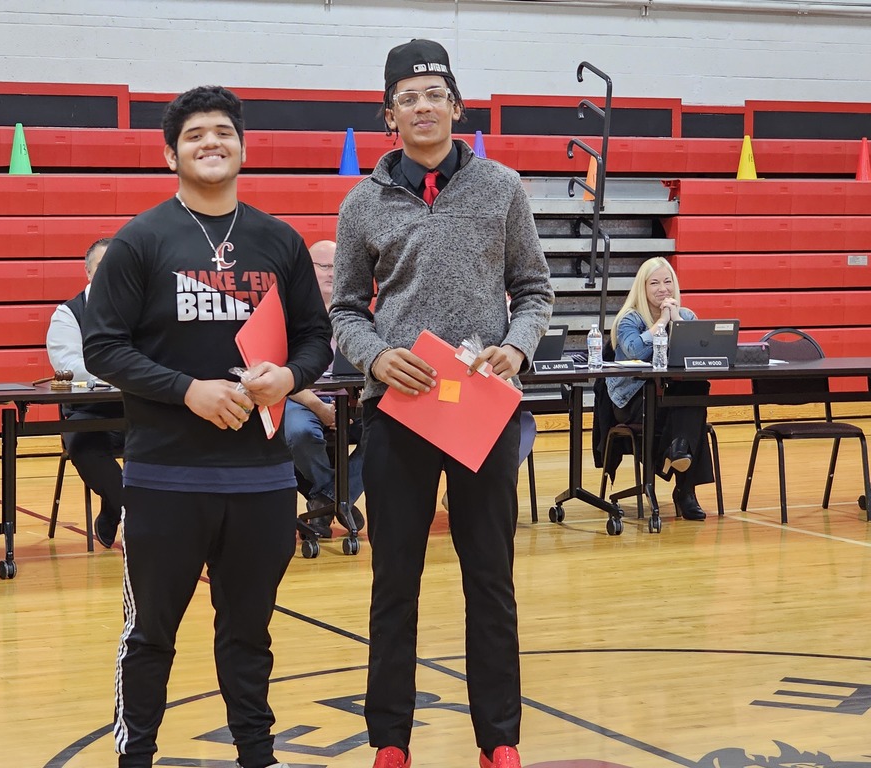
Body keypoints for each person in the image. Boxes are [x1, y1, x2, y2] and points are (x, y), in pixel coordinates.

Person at [81, 86, 332, 768]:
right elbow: (102, 348)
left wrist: (289, 377)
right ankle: (136, 757)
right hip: (165, 476)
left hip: (262, 479)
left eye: (223, 131)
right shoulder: (140, 241)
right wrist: (188, 391)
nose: (211, 142)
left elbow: (317, 338)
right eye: (194, 135)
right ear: (171, 154)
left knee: (249, 634)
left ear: (243, 148)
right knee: (150, 636)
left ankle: (258, 755)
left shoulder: (279, 242)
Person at [331, 39, 555, 768]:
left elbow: (535, 290)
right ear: (388, 115)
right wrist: (374, 356)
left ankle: (500, 740)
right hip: (398, 411)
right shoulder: (362, 203)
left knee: (490, 576)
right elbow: (344, 310)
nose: (422, 106)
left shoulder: (502, 188)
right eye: (408, 97)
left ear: (457, 107)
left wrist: (516, 347)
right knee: (393, 580)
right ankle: (390, 741)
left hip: (482, 408)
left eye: (434, 95)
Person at [605, 256, 714, 521]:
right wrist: (662, 322)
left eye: (667, 281)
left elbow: (698, 355)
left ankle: (679, 449)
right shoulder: (629, 319)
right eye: (654, 283)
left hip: (670, 397)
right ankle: (685, 490)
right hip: (634, 398)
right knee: (691, 414)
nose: (662, 288)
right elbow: (635, 352)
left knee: (695, 390)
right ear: (642, 288)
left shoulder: (686, 316)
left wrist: (676, 319)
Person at [46, 237, 125, 548]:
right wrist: (126, 372)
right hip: (86, 413)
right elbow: (70, 367)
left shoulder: (141, 310)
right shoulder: (68, 314)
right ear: (88, 272)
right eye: (103, 267)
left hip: (135, 409)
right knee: (85, 447)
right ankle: (124, 508)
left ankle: (114, 511)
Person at [284, 239, 364, 537]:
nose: (332, 272)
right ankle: (338, 498)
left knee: (387, 433)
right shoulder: (287, 313)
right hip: (302, 399)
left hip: (350, 400)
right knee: (299, 433)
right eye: (324, 266)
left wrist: (356, 402)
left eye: (336, 265)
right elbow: (281, 372)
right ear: (307, 268)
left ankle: (326, 500)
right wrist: (319, 407)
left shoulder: (357, 314)